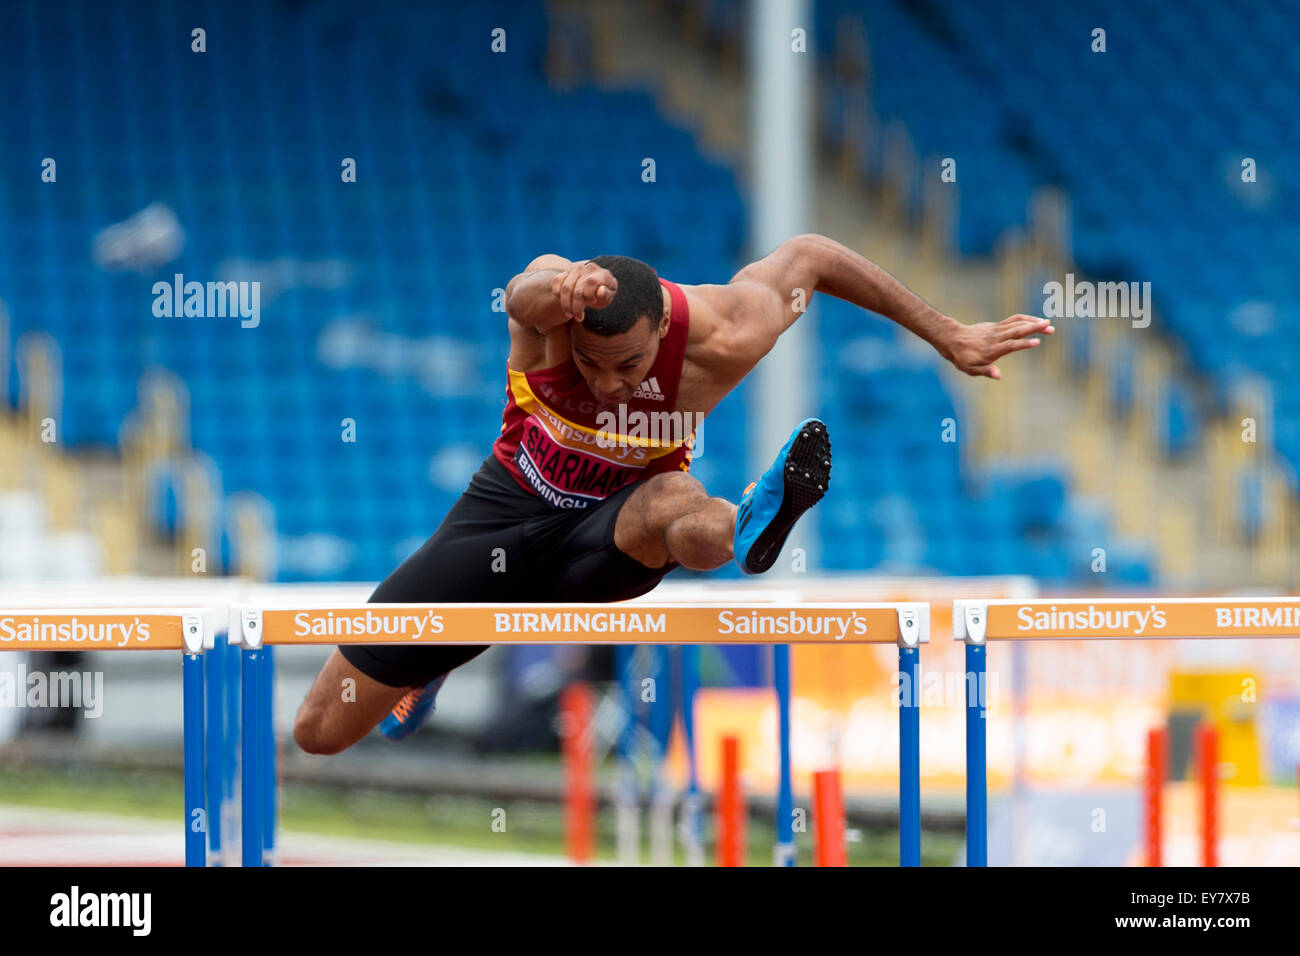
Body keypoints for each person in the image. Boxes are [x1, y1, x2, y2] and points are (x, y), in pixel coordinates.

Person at [293, 234, 1052, 754]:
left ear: (663, 324)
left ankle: (751, 522)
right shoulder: (560, 313)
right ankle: (428, 665)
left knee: (672, 497)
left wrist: (946, 333)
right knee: (318, 731)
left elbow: (813, 257)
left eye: (627, 365)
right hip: (502, 516)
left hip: (611, 534)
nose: (610, 384)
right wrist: (557, 288)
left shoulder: (728, 329)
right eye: (593, 367)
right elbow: (524, 294)